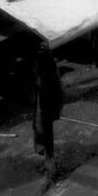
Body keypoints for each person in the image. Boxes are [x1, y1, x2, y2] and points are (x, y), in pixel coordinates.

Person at [32, 41, 64, 180]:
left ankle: (48, 158)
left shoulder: (44, 58)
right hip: (43, 82)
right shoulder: (43, 59)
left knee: (43, 118)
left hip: (44, 82)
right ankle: (49, 159)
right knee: (43, 119)